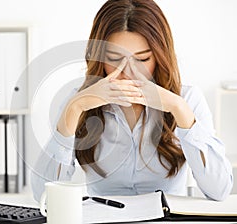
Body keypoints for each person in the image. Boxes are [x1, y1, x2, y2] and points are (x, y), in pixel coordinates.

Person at [31, 0, 233, 202]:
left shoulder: (186, 99)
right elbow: (43, 196)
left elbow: (220, 190)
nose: (128, 73)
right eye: (114, 58)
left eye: (142, 59)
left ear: (160, 57)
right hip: (104, 218)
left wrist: (178, 108)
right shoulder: (79, 101)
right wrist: (75, 108)